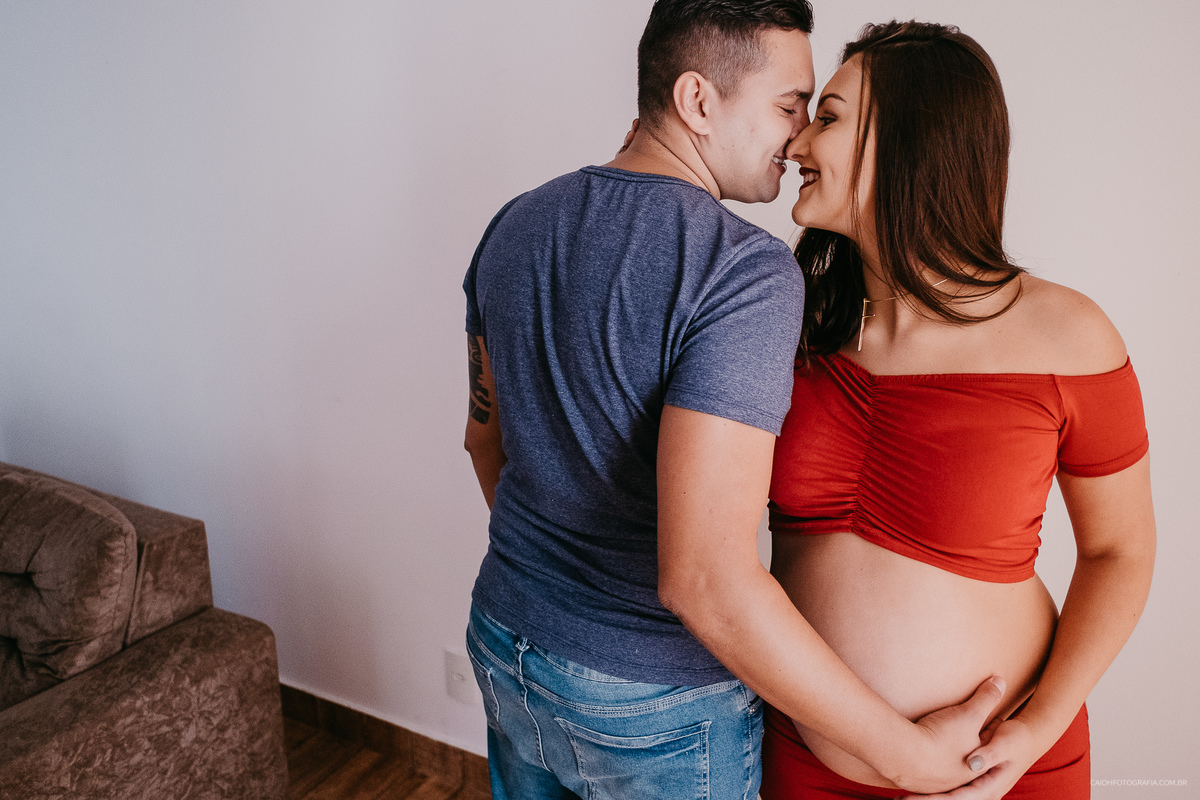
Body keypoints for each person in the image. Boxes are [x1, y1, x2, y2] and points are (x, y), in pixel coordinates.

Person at [461, 3, 1020, 799]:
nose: (798, 139)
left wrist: (556, 584)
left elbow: (487, 444)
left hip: (503, 635)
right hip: (655, 702)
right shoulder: (743, 270)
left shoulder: (513, 223)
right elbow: (704, 580)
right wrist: (906, 756)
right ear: (697, 101)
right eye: (791, 106)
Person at [760, 20, 1156, 800]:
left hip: (1002, 771)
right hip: (806, 760)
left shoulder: (1069, 334)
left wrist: (1035, 732)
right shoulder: (787, 322)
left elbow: (1122, 553)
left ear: (911, 141)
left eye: (829, 117)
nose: (796, 142)